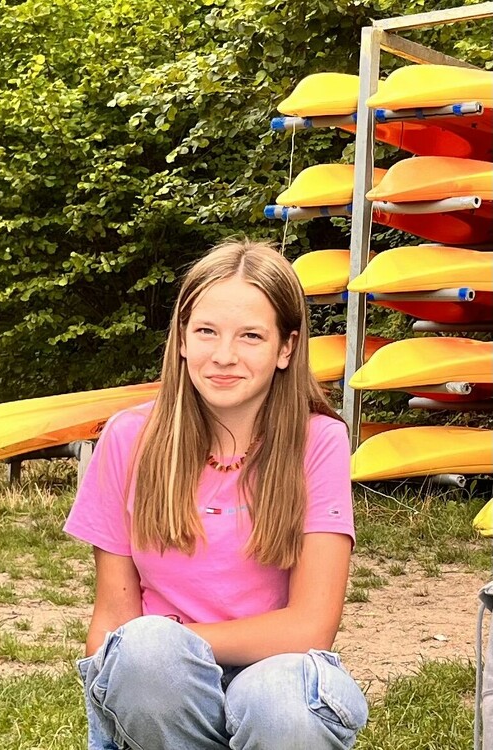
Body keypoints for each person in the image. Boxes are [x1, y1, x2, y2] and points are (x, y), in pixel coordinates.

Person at [64, 240, 369, 749]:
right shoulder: (128, 437)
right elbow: (113, 620)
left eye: (251, 335)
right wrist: (143, 664)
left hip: (274, 673)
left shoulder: (319, 440)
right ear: (182, 338)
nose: (224, 356)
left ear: (286, 347)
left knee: (278, 699)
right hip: (162, 691)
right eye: (206, 331)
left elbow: (311, 625)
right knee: (145, 651)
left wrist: (180, 642)